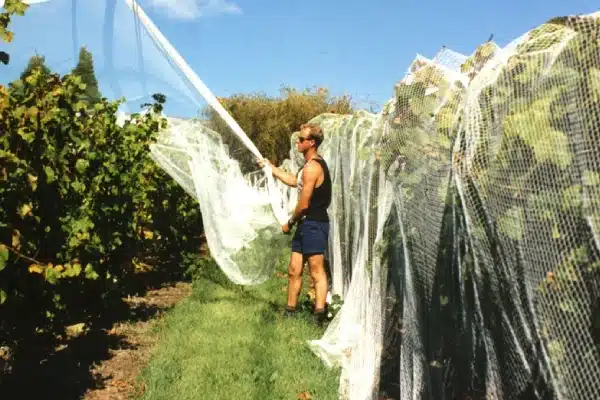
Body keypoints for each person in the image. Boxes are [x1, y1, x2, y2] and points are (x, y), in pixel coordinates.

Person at [257, 123, 332, 325]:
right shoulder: (306, 167)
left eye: (301, 140)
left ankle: (319, 316)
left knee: (316, 271)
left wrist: (289, 223)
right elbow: (293, 180)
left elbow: (304, 205)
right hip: (306, 224)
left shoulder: (314, 167)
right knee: (293, 269)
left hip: (314, 223)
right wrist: (270, 168)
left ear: (311, 142)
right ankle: (290, 312)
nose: (297, 142)